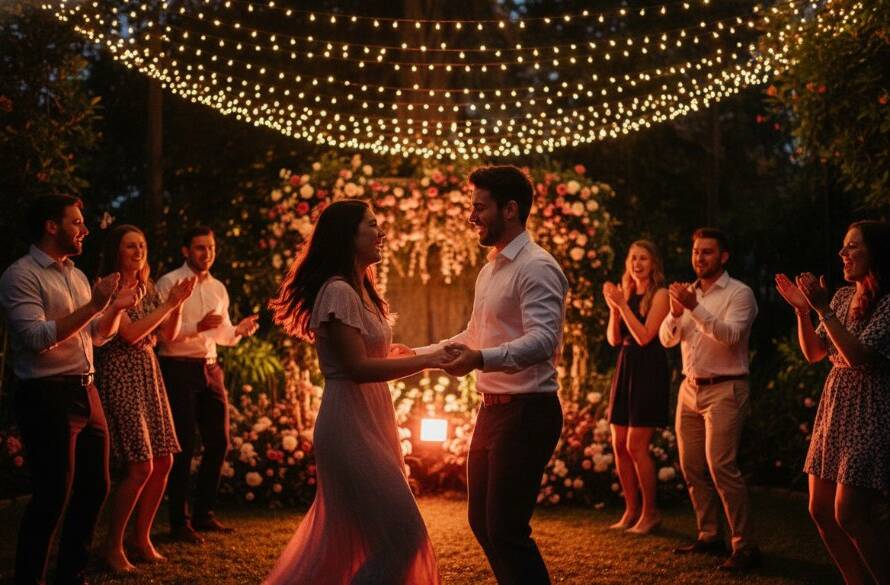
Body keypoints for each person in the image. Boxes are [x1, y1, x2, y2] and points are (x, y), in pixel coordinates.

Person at [264, 199, 451, 584]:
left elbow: (370, 359)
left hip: (373, 418)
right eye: (372, 225)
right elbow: (356, 369)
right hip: (348, 426)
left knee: (381, 539)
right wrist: (429, 358)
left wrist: (403, 355)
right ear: (347, 235)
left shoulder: (361, 290)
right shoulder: (337, 292)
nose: (381, 233)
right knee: (404, 536)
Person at [417, 165, 569, 585]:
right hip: (492, 413)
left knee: (506, 529)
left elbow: (542, 342)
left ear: (511, 209)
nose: (472, 216)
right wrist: (415, 355)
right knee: (483, 524)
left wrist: (480, 359)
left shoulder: (537, 267)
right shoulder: (490, 270)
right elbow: (472, 334)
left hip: (527, 413)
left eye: (479, 208)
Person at [0, 194, 142, 585]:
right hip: (47, 395)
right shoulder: (21, 274)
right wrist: (96, 305)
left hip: (86, 390)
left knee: (96, 486)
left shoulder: (76, 275)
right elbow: (35, 337)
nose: (85, 229)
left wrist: (113, 308)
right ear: (51, 225)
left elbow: (96, 337)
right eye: (77, 222)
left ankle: (71, 574)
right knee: (51, 497)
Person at [775, 220, 890, 584]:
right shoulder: (840, 297)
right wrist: (802, 311)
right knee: (820, 510)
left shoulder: (888, 303)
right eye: (842, 246)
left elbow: (858, 356)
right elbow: (814, 353)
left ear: (876, 253)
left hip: (870, 410)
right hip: (835, 407)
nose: (843, 253)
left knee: (850, 513)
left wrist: (822, 309)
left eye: (852, 246)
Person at [94, 224, 196, 572]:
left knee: (164, 460)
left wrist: (177, 304)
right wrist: (168, 303)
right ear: (116, 252)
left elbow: (168, 333)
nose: (138, 252)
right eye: (130, 247)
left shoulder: (147, 287)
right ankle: (113, 546)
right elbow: (133, 334)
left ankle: (142, 538)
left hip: (149, 374)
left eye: (142, 245)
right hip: (121, 375)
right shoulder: (108, 288)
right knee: (140, 466)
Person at [658, 227, 761, 572]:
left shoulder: (739, 294)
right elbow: (666, 340)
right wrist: (675, 313)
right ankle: (709, 535)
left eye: (707, 252)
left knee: (721, 467)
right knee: (691, 468)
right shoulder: (688, 293)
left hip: (726, 389)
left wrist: (694, 307)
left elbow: (730, 336)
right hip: (690, 389)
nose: (699, 258)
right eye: (696, 252)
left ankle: (745, 546)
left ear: (723, 256)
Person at [156, 226, 259, 543]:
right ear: (186, 251)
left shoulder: (218, 288)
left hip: (211, 369)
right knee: (183, 446)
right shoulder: (169, 282)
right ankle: (178, 522)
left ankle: (203, 514)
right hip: (178, 368)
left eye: (211, 247)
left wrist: (238, 331)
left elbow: (221, 334)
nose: (207, 253)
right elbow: (162, 334)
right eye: (200, 248)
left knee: (219, 443)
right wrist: (196, 326)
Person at [602, 240, 670, 534]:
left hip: (648, 368)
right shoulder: (627, 292)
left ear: (653, 263)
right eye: (633, 258)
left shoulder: (661, 294)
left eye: (643, 258)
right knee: (618, 444)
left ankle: (650, 512)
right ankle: (630, 510)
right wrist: (614, 310)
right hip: (626, 365)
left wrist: (621, 305)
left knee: (636, 445)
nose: (637, 264)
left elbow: (644, 336)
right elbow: (614, 339)